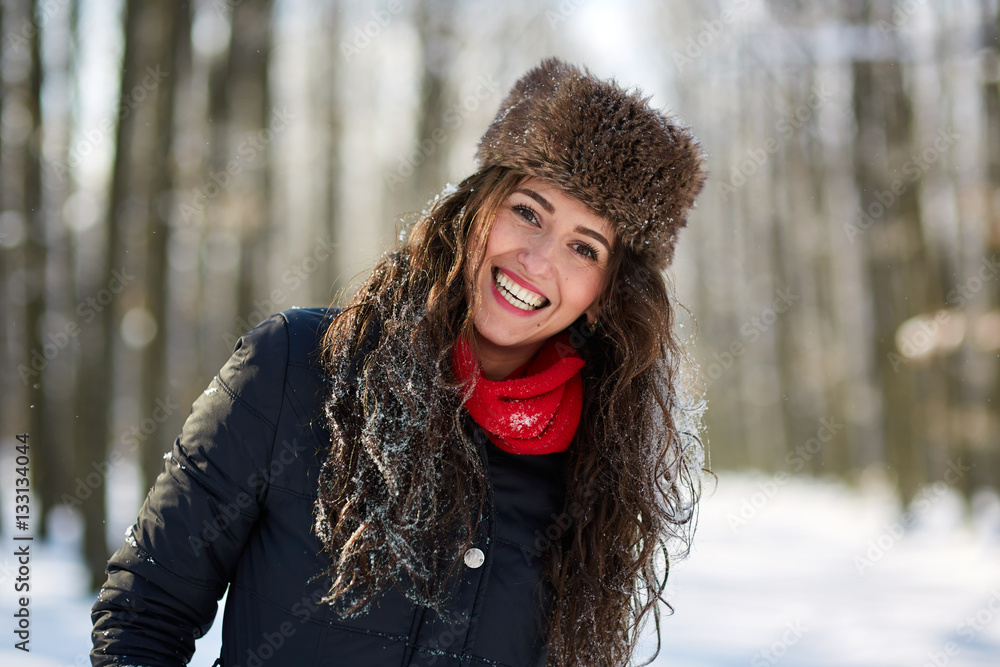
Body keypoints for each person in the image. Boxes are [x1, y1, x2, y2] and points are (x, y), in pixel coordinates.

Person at [91, 57, 709, 667]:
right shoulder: (296, 366)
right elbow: (144, 615)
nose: (538, 260)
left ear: (605, 296)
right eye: (527, 211)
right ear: (476, 209)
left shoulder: (597, 473)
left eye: (583, 247)